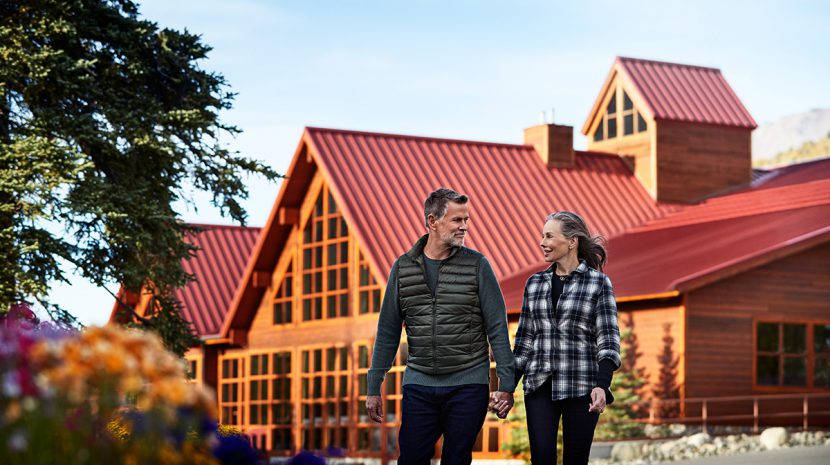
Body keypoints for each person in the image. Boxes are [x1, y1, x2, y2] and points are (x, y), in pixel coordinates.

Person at [366, 187, 516, 465]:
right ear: (433, 222)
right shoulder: (403, 268)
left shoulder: (477, 265)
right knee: (410, 459)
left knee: (456, 459)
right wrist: (374, 385)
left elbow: (497, 326)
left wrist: (506, 384)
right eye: (457, 220)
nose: (464, 227)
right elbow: (388, 330)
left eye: (466, 220)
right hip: (419, 383)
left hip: (468, 382)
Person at [512, 211, 621, 465]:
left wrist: (601, 385)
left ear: (572, 241)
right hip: (539, 385)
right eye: (542, 236)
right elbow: (524, 342)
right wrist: (507, 388)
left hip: (582, 385)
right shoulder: (534, 284)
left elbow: (608, 340)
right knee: (541, 459)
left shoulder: (598, 284)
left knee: (576, 460)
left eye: (549, 236)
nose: (542, 242)